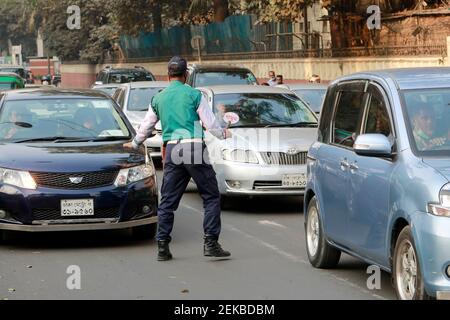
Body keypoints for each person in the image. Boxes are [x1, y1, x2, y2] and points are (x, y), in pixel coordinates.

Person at [124, 56, 232, 262]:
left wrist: (136, 143)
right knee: (210, 196)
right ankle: (211, 243)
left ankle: (162, 247)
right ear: (186, 75)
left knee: (168, 200)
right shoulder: (194, 94)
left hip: (173, 149)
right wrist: (223, 134)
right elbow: (210, 124)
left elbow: (147, 125)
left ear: (168, 75)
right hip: (194, 147)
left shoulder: (159, 98)